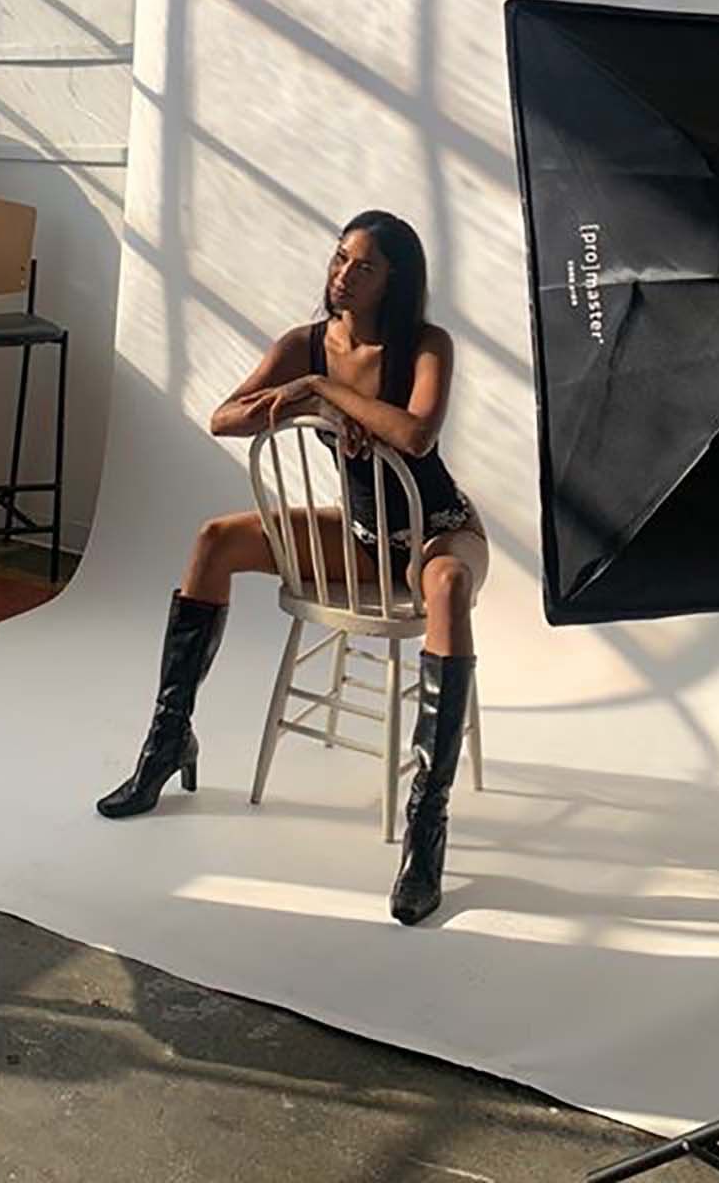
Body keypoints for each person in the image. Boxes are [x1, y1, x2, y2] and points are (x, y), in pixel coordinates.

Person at [97, 211, 488, 927]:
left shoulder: (425, 345)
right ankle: (167, 740)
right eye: (340, 259)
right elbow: (223, 417)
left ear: (396, 281)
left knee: (451, 585)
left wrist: (323, 391)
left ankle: (426, 825)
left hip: (438, 534)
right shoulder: (304, 343)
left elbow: (417, 435)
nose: (343, 275)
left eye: (364, 266)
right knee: (215, 539)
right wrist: (296, 393)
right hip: (366, 538)